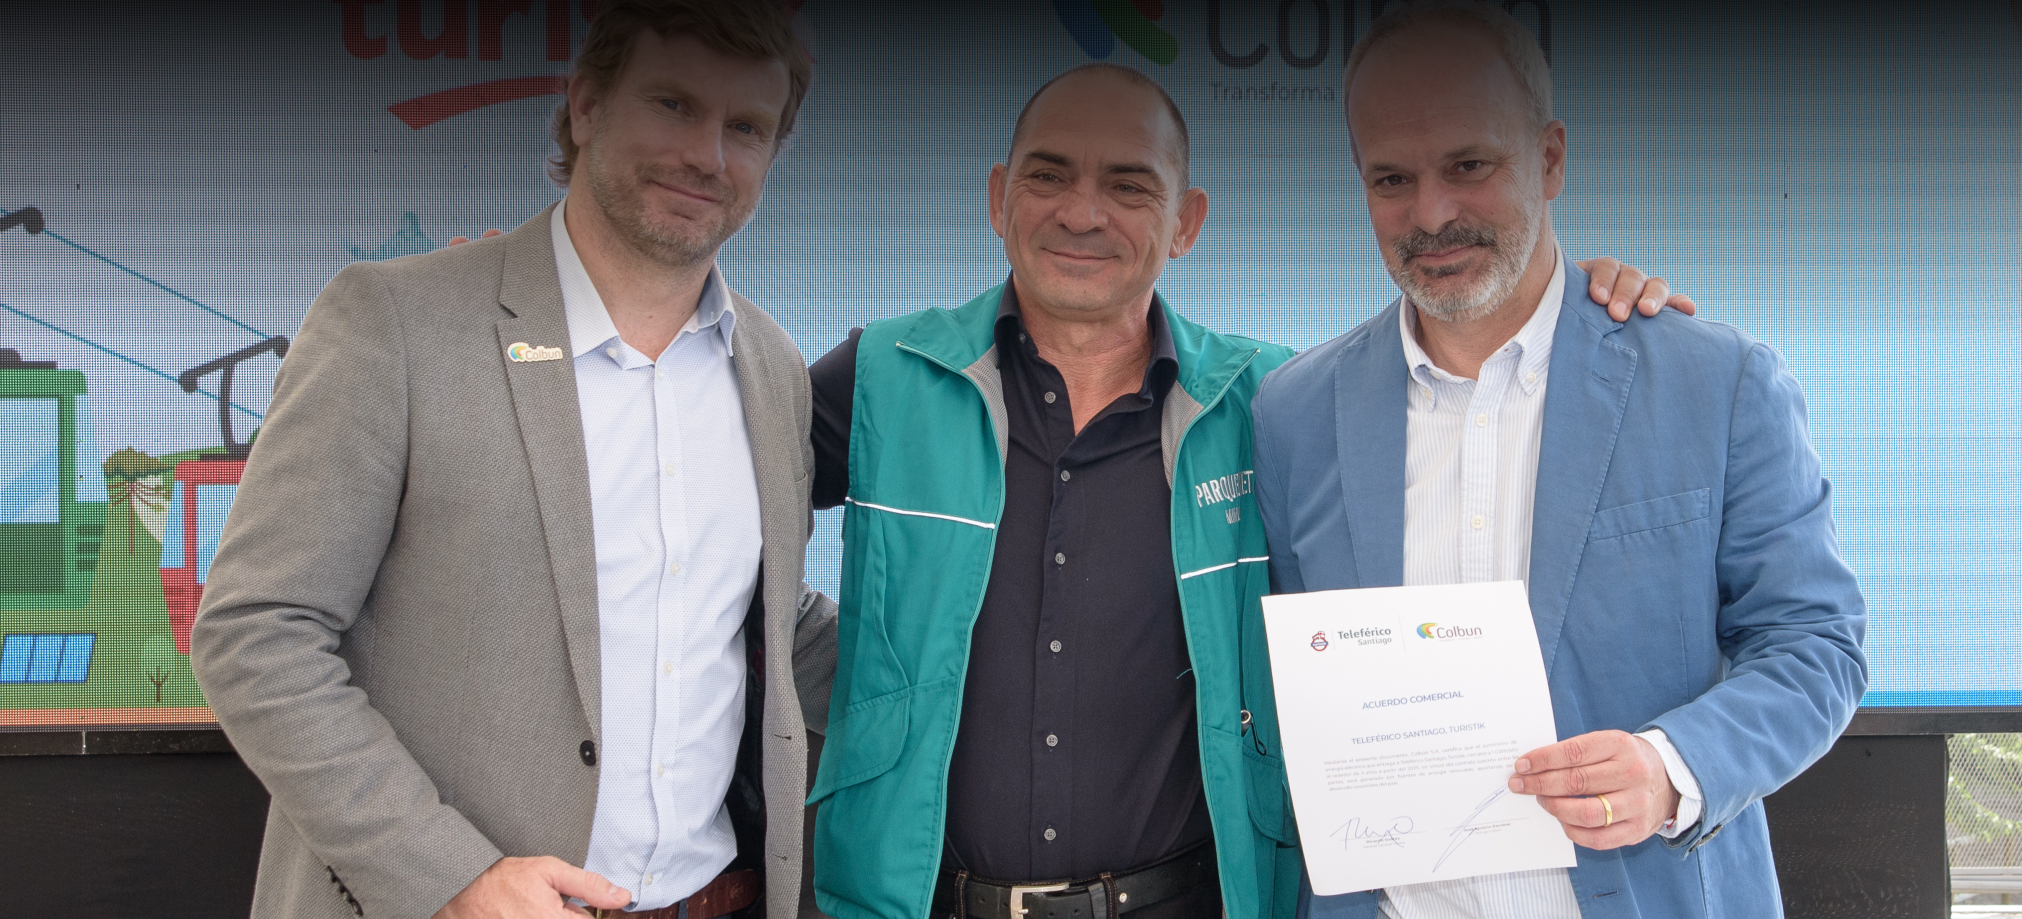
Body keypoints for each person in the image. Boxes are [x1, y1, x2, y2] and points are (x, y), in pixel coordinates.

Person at [803, 62, 1688, 919]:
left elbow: (1462, 409)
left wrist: (1574, 302)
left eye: (1129, 185)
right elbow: (730, 528)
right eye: (1049, 175)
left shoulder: (1277, 403)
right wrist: (872, 689)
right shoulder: (882, 376)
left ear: (1185, 223)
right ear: (999, 197)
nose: (1082, 212)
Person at [189, 3, 836, 918]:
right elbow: (257, 630)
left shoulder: (770, 366)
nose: (707, 155)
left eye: (746, 128)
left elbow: (760, 608)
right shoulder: (394, 323)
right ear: (585, 104)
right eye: (673, 105)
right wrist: (451, 875)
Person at [1250, 5, 1868, 918]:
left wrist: (1670, 766)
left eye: (1470, 165)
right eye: (1392, 178)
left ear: (1549, 159)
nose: (1431, 213)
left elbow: (1816, 645)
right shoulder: (1292, 414)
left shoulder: (1716, 382)